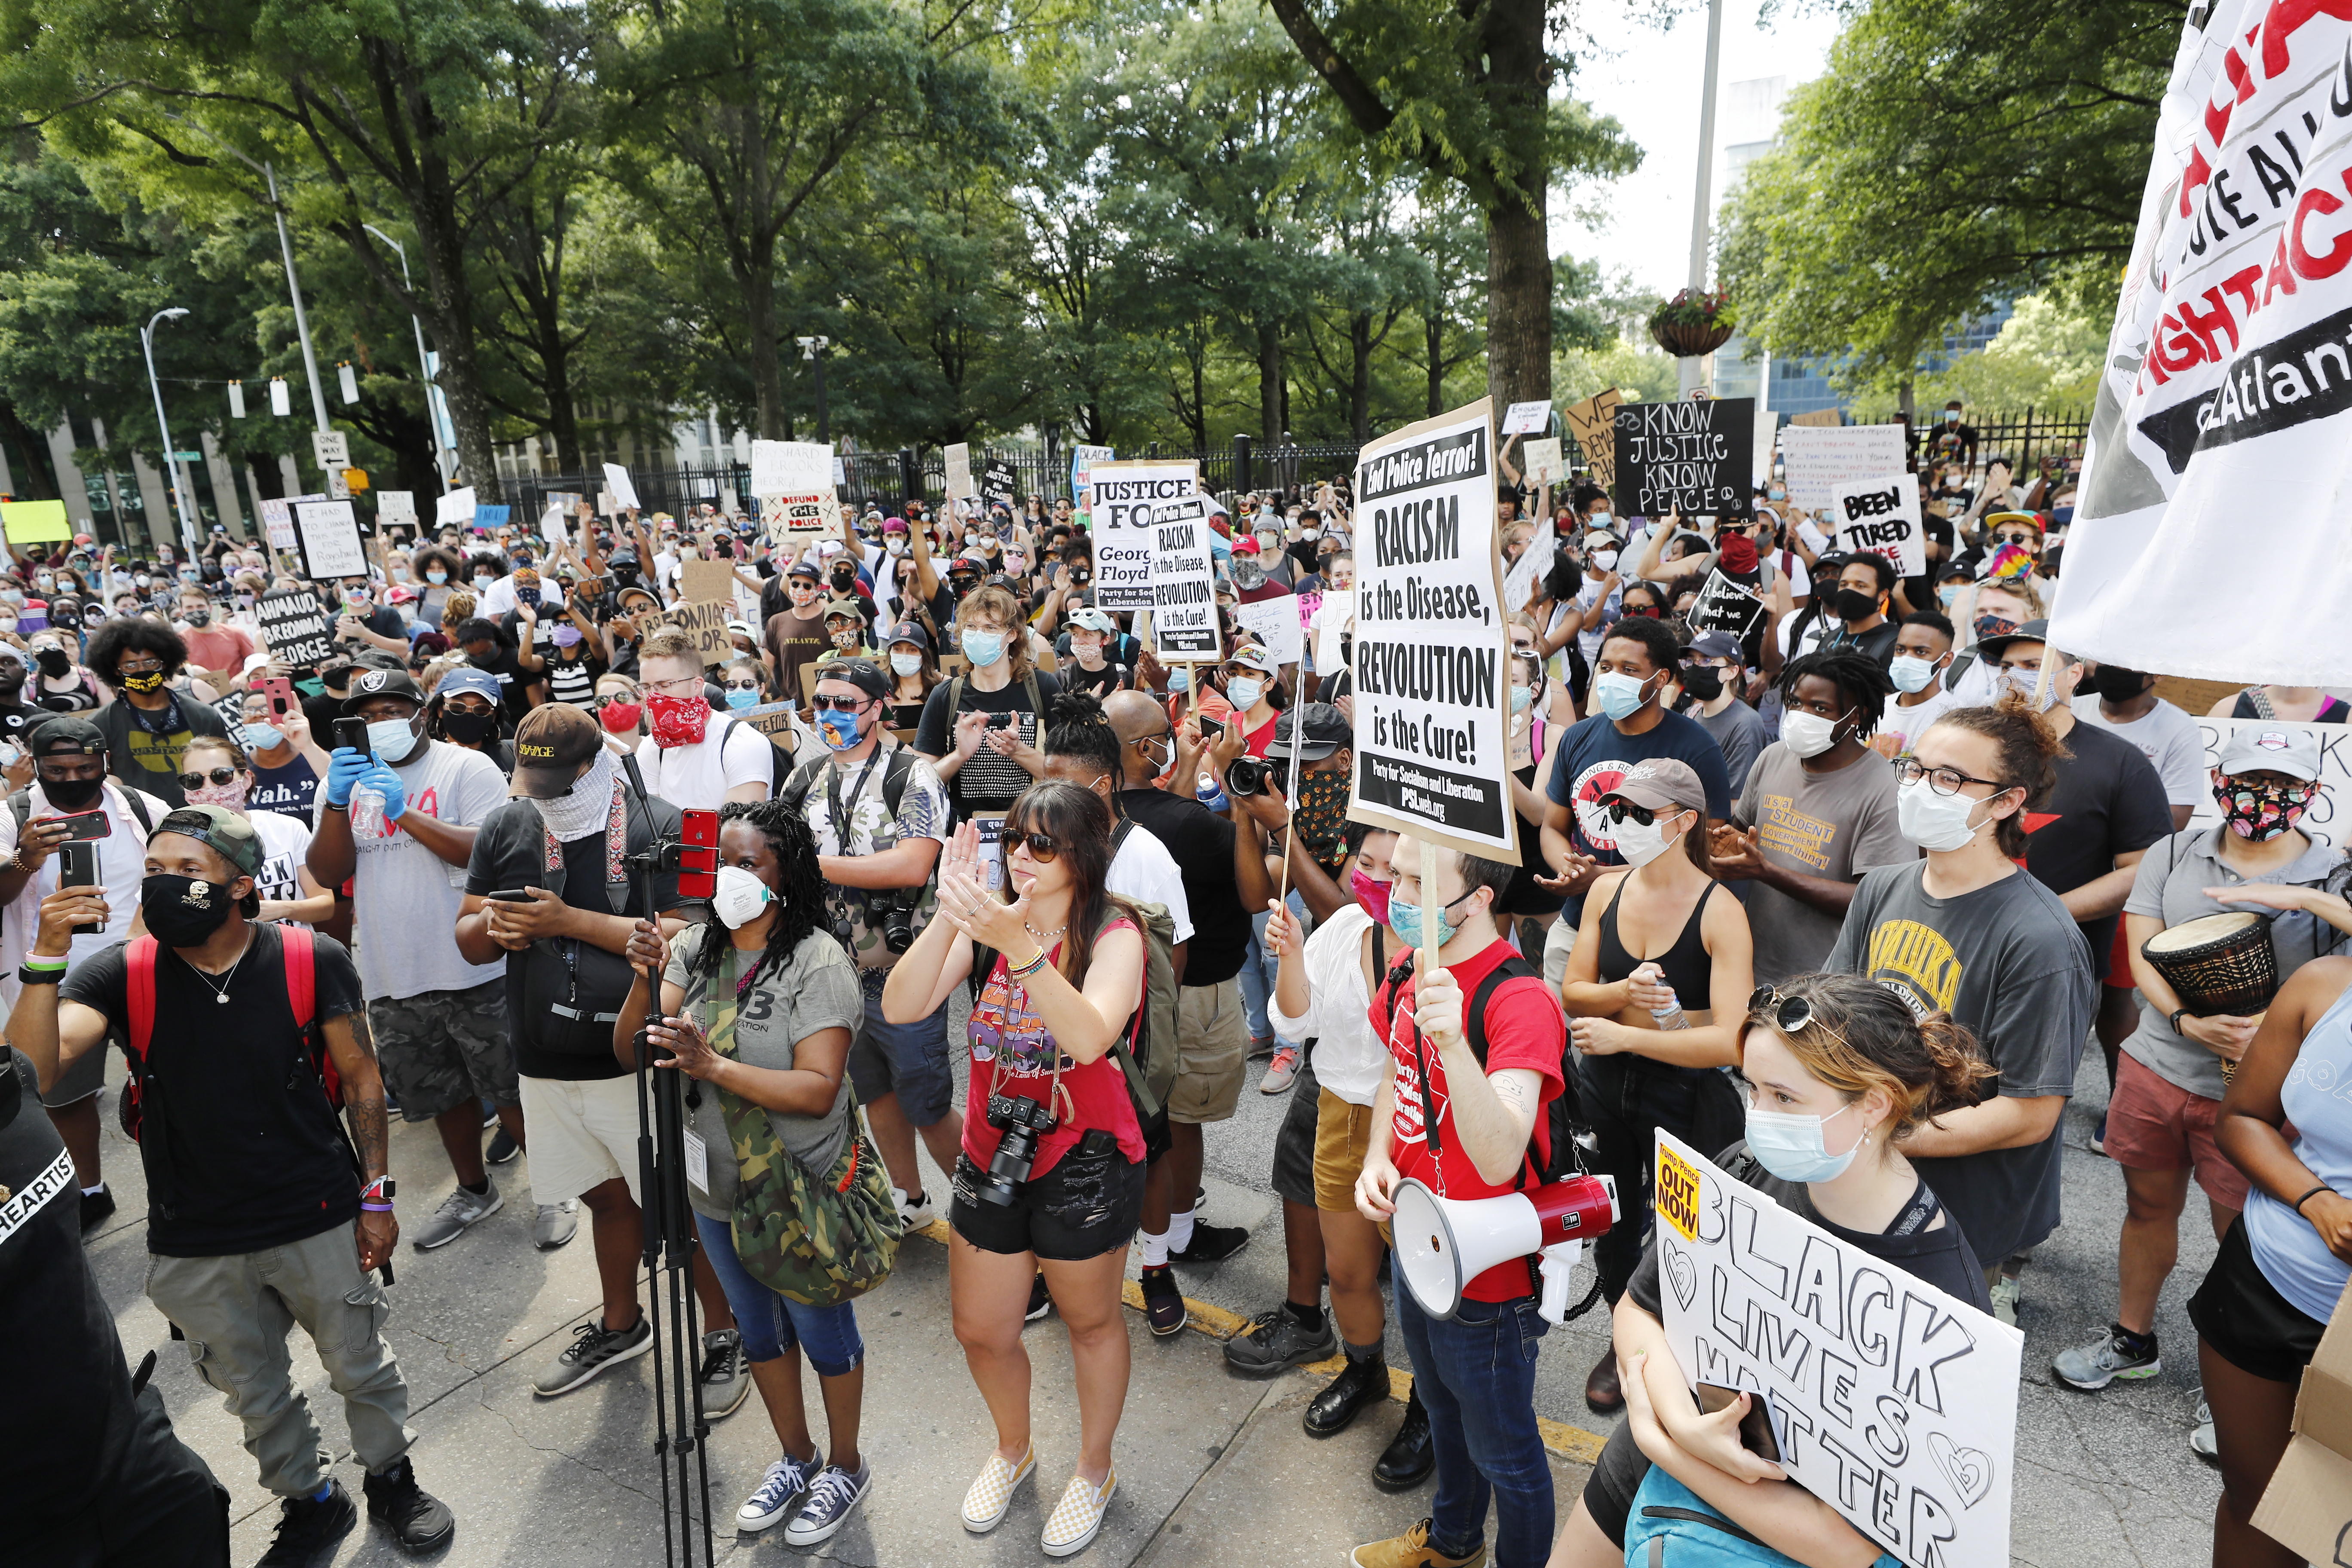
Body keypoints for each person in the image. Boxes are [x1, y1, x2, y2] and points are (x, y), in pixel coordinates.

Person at [5, 805, 457, 1562]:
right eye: (153, 870)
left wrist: (376, 1194)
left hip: (315, 1211)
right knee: (252, 1390)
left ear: (241, 884)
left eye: (188, 871)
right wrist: (46, 957)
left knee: (361, 1365)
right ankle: (311, 1500)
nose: (165, 884)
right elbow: (31, 1073)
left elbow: (360, 1078)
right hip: (196, 1235)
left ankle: (392, 1478)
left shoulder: (311, 957)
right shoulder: (122, 971)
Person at [1547, 974, 1995, 1568]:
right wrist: (1680, 1419)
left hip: (1765, 1538)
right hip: (1643, 1474)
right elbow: (1639, 1309)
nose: (1758, 1117)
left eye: (1785, 1098)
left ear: (1875, 1102)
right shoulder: (1740, 1170)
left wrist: (1669, 1441)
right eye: (1752, 1089)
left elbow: (1847, 1545)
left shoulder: (1943, 1304)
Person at [880, 784, 1149, 1559]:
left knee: (1091, 1322)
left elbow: (1092, 1035)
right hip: (990, 1152)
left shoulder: (1113, 933)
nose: (1022, 856)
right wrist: (949, 913)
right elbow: (902, 1005)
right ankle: (1011, 1448)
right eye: (1015, 840)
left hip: (1084, 1159)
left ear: (1085, 855)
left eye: (1044, 844)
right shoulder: (989, 918)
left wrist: (1019, 942)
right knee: (982, 1328)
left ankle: (1092, 1469)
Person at [2053, 730, 2349, 1415]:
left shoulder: (2334, 871)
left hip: (2263, 1099)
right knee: (2147, 1207)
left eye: (2283, 784)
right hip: (2159, 1065)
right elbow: (2143, 947)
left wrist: (2306, 901)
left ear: (2311, 794)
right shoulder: (2176, 850)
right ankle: (2134, 1340)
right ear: (2221, 779)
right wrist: (2191, 1024)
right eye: (2252, 779)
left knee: (2240, 1230)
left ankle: (2239, 1376)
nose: (2264, 796)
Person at [616, 800, 875, 1543]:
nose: (729, 874)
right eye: (722, 860)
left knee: (822, 1332)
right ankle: (797, 1457)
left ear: (785, 872)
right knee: (758, 1330)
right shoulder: (696, 947)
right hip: (717, 1188)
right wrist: (644, 979)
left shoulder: (818, 959)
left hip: (798, 1184)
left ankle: (847, 1465)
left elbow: (817, 1085)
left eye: (748, 861)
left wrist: (712, 1064)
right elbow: (630, 1048)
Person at [1828, 698, 2096, 1320]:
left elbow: (2029, 1113)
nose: (1921, 788)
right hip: (1865, 1176)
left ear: (2006, 802)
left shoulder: (2040, 937)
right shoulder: (1882, 888)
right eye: (1915, 770)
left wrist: (1878, 1139)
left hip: (1958, 1209)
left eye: (1948, 779)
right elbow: (1836, 1014)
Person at [1348, 836, 1569, 1568]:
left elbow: (1502, 1153)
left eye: (1417, 880)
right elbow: (1391, 1073)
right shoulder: (1414, 966)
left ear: (1477, 899)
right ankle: (1453, 1542)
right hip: (1420, 1245)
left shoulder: (1520, 999)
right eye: (1398, 876)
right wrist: (1379, 1154)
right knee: (1442, 1411)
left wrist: (1454, 1042)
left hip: (1490, 1281)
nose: (1398, 894)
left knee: (1506, 1453)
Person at [1558, 758, 1754, 1414]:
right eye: (1616, 812)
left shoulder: (1720, 910)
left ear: (1684, 821)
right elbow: (1575, 991)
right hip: (1606, 1083)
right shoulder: (1607, 891)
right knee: (1611, 1217)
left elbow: (1733, 1038)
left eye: (1640, 814)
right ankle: (1627, 1340)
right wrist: (1623, 993)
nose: (1624, 825)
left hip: (1688, 1095)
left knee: (1687, 1230)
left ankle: (1684, 1344)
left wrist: (1629, 1034)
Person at [306, 668, 525, 1251]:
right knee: (440, 1094)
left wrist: (401, 811)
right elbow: (329, 874)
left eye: (393, 710)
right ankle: (475, 1189)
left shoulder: (465, 767)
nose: (382, 723)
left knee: (511, 1091)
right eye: (368, 715)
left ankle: (554, 1192)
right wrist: (335, 801)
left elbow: (489, 848)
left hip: (475, 962)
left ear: (423, 713)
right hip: (392, 968)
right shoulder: (341, 779)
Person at [1259, 820, 1440, 1487]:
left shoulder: (1444, 952)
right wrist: (1292, 954)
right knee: (1350, 1271)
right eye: (1367, 862)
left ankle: (1430, 1407)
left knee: (1427, 1288)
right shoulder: (1340, 932)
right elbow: (1293, 1022)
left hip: (1418, 1131)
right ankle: (1366, 1370)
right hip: (1338, 1114)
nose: (1381, 880)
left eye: (1400, 871)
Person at [1978, 620, 2173, 1164]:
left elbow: (2143, 870)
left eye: (2035, 664)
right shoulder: (1970, 746)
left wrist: (2047, 913)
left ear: (2076, 674)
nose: (2019, 677)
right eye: (2008, 664)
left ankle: (2011, 1230)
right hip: (1958, 945)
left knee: (2028, 1094)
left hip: (2056, 964)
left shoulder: (2120, 763)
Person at [2190, 935, 2352, 1568]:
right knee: (2258, 1507)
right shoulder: (2323, 985)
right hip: (2264, 1284)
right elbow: (2242, 1118)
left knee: (2336, 1526)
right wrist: (2318, 1204)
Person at [785, 659, 958, 1230]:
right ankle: (910, 1199)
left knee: (928, 1106)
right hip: (833, 974)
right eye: (822, 702)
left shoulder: (913, 777)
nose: (830, 714)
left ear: (878, 707)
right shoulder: (803, 779)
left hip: (904, 975)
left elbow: (912, 864)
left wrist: (805, 865)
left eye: (845, 703)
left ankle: (992, 1221)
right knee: (875, 1093)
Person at [0, 716, 165, 1229]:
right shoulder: (13, 816)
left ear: (105, 764)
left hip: (140, 969)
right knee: (58, 1093)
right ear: (36, 768)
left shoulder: (140, 808)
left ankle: (187, 1185)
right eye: (57, 769)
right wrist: (26, 859)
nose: (72, 779)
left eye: (85, 768)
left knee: (170, 1081)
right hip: (52, 982)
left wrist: (146, 925)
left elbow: (179, 870)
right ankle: (89, 1191)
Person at [1537, 617, 1733, 982]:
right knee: (1565, 1032)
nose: (1612, 678)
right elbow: (1553, 826)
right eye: (1606, 667)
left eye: (1629, 670)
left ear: (1660, 679)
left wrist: (1600, 878)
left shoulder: (1696, 749)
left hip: (1655, 939)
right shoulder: (1578, 737)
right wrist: (1571, 870)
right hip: (1577, 923)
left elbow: (1705, 850)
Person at [1710, 649, 1913, 984]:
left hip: (1826, 986)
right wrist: (1727, 847)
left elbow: (1874, 900)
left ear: (1856, 716)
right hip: (1751, 964)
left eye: (1820, 708)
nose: (1802, 715)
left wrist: (1767, 872)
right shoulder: (1773, 757)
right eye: (1795, 702)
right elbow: (1740, 835)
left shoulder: (1884, 789)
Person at [916, 584, 1063, 821]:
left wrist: (1018, 751)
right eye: (971, 628)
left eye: (990, 628)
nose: (978, 635)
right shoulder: (945, 696)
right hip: (964, 830)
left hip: (1031, 827)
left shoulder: (1043, 687)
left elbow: (1066, 777)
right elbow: (920, 782)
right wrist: (960, 754)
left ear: (1013, 634)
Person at [176, 735, 334, 925]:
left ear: (246, 780)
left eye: (221, 776)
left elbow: (326, 905)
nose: (209, 788)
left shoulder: (288, 828)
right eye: (194, 780)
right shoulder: (174, 844)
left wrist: (280, 909)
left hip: (290, 948)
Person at [84, 616, 230, 808]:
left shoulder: (203, 715)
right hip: (137, 821)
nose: (142, 670)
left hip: (201, 818)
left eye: (150, 663)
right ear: (116, 671)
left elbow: (227, 771)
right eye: (131, 665)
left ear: (165, 663)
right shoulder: (100, 723)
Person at [633, 625, 776, 808]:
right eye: (646, 687)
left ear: (697, 685)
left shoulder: (743, 742)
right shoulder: (651, 748)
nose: (653, 696)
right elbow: (651, 822)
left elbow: (739, 830)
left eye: (664, 685)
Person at [1679, 629, 1768, 790]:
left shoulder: (1746, 724)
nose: (1695, 668)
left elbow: (1736, 801)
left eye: (1707, 661)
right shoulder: (1692, 713)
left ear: (1732, 671)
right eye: (1691, 661)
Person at [240, 681, 334, 818]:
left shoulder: (316, 759)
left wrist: (307, 745)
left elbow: (345, 790)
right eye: (249, 711)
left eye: (267, 709)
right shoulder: (237, 769)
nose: (257, 715)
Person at [1874, 610, 1961, 758]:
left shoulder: (1954, 717)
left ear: (1946, 659)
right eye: (1900, 650)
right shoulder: (1879, 707)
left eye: (1921, 652)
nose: (1906, 658)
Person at [763, 561, 831, 707]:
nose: (800, 590)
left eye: (807, 586)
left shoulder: (830, 621)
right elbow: (767, 667)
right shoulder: (776, 622)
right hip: (790, 706)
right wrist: (780, 701)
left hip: (826, 706)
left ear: (817, 589)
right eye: (795, 584)